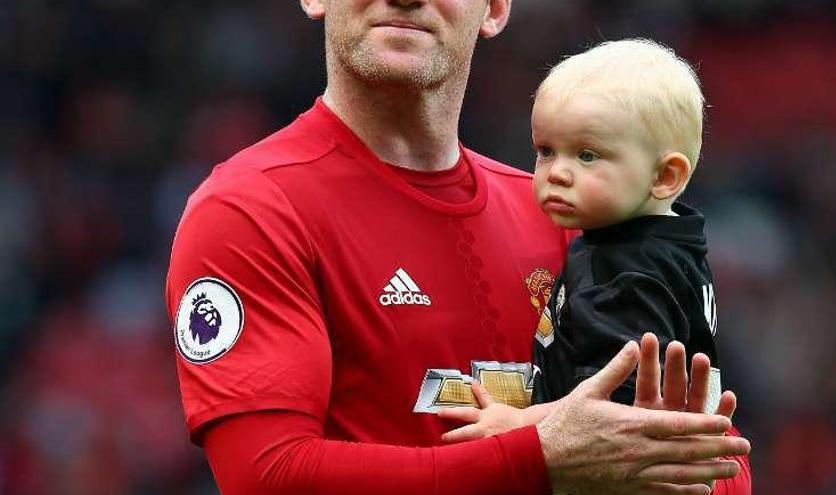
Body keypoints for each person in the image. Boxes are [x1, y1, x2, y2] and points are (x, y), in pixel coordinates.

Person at [166, 2, 749, 494]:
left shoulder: (574, 216)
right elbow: (268, 476)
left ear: (495, 6)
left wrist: (656, 469)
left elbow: (720, 460)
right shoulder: (252, 210)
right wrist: (541, 457)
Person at [438, 39, 751, 493]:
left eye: (587, 155)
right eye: (546, 150)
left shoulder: (627, 273)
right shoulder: (670, 243)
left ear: (665, 177)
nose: (558, 173)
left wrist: (521, 427)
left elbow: (611, 416)